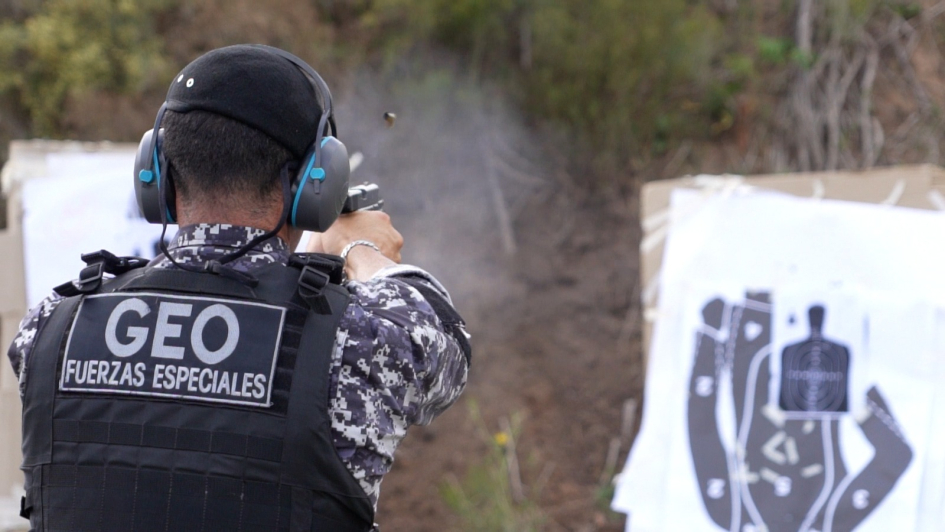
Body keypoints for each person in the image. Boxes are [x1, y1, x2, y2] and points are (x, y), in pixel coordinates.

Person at [7, 45, 470, 531]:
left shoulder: (49, 327)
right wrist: (356, 249)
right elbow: (446, 343)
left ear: (158, 175)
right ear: (316, 186)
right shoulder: (352, 342)